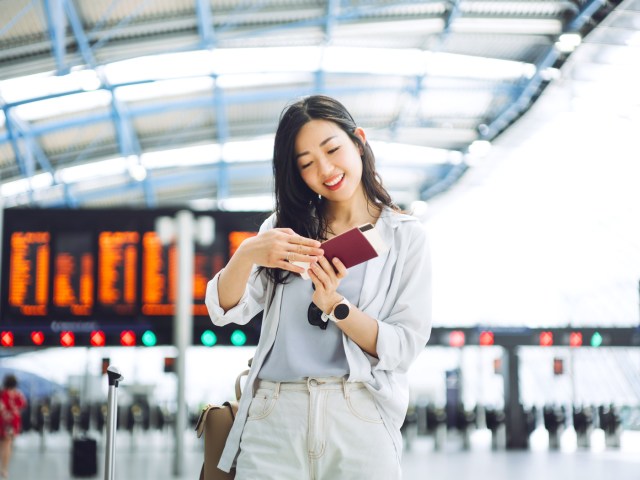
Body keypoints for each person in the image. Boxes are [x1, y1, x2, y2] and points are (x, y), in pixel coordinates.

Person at [205, 94, 431, 479]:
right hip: (275, 415)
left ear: (358, 141)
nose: (325, 169)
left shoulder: (404, 237)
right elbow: (226, 311)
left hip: (358, 415)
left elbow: (404, 346)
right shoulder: (284, 229)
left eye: (332, 150)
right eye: (307, 163)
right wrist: (246, 254)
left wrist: (336, 306)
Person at [0, 374, 27, 478]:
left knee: (2, 444)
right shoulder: (18, 394)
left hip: (2, 420)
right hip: (12, 422)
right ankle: (4, 468)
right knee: (8, 445)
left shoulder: (2, 393)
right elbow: (23, 405)